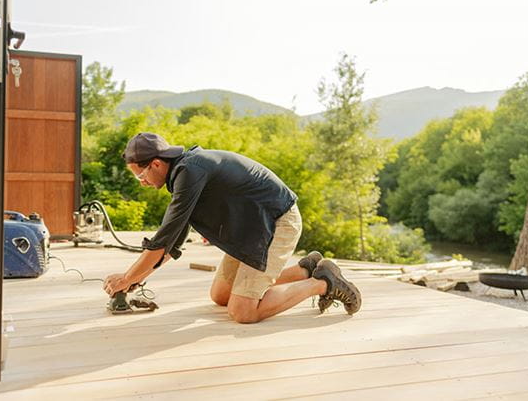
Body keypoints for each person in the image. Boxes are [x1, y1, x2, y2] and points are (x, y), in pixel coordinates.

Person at [103, 132, 361, 323]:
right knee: (221, 295)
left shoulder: (191, 171)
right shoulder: (184, 173)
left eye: (140, 175)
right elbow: (173, 241)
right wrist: (137, 278)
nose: (142, 183)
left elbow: (164, 237)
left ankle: (324, 282)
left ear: (156, 164)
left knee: (243, 311)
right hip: (251, 230)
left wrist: (127, 278)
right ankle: (305, 270)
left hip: (275, 222)